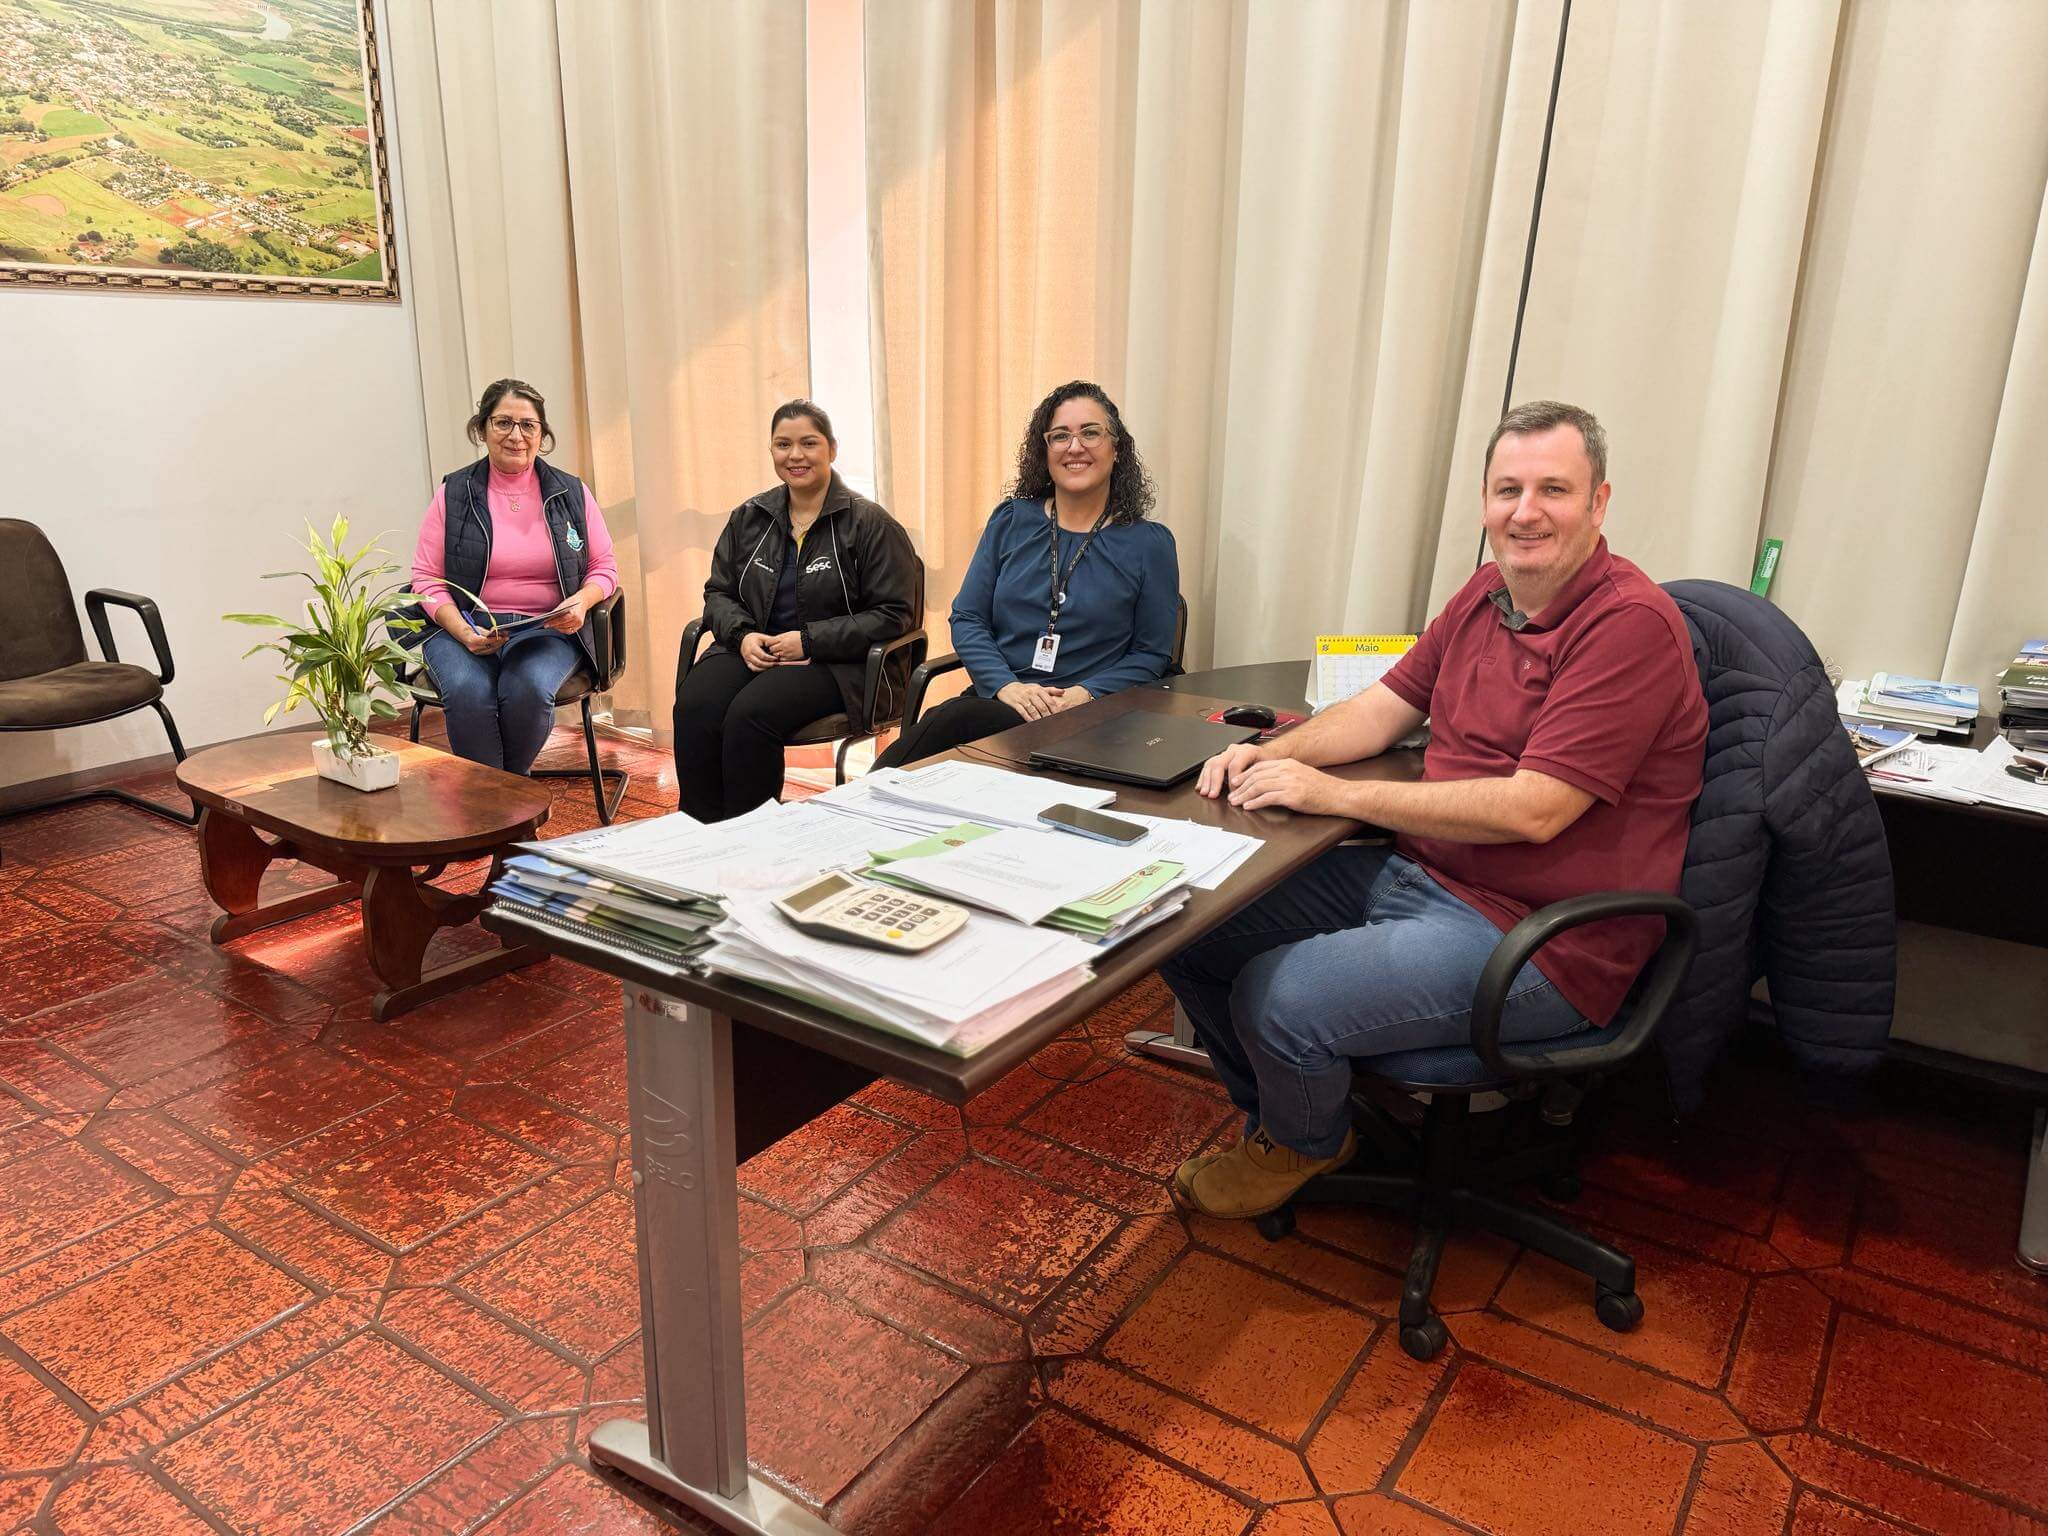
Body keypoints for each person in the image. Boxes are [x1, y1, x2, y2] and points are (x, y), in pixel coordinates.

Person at [1162, 401, 1707, 1219]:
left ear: (1599, 503)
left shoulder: (1630, 626)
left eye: (1554, 489)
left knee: (1280, 998)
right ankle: (1291, 1120)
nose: (1526, 512)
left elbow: (1534, 810)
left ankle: (1307, 1141)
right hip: (1424, 878)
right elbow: (1384, 708)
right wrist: (1274, 756)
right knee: (1188, 921)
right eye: (1507, 490)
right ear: (1485, 501)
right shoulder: (1488, 591)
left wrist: (1335, 794)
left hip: (1543, 938)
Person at [873, 380, 1179, 767]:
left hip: (1089, 717)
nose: (1075, 447)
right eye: (1060, 436)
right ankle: (867, 798)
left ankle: (860, 797)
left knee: (953, 722)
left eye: (1090, 433)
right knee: (958, 722)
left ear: (1117, 448)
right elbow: (968, 617)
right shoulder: (1011, 521)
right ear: (1044, 451)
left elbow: (1151, 653)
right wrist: (1006, 685)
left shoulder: (1149, 544)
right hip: (1000, 702)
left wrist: (1085, 693)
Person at [675, 400, 921, 821]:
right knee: (695, 705)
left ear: (832, 449)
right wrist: (742, 636)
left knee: (750, 715)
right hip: (755, 649)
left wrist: (809, 641)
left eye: (809, 443)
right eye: (783, 444)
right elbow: (718, 593)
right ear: (771, 450)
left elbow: (894, 614)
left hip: (839, 663)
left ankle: (753, 835)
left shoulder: (871, 524)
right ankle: (702, 830)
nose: (795, 455)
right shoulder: (749, 517)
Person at [408, 378, 618, 775]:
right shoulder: (454, 493)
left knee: (528, 690)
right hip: (465, 626)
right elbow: (426, 577)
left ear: (542, 433)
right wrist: (463, 632)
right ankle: (500, 798)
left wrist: (582, 602)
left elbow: (603, 567)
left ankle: (502, 791)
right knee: (469, 692)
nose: (516, 436)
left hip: (546, 630)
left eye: (528, 425)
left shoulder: (571, 493)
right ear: (482, 429)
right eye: (503, 423)